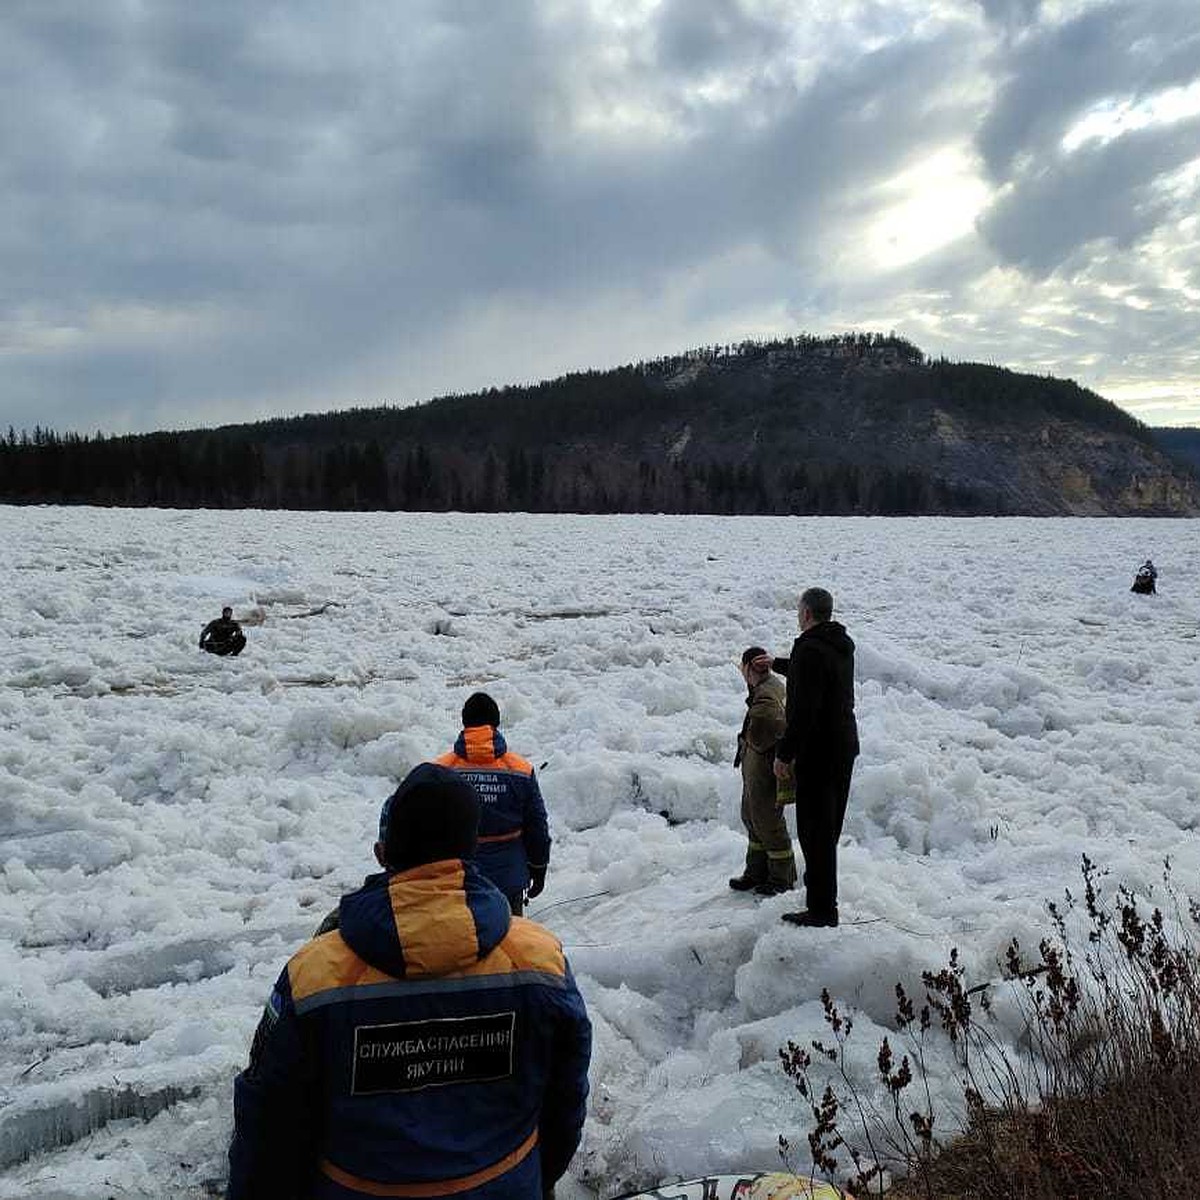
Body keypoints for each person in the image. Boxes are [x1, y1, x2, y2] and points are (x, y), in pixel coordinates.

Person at [226, 762, 591, 1200]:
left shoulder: (315, 976)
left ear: (385, 852)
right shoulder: (539, 961)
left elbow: (269, 1124)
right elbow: (564, 1101)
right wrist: (532, 1177)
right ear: (470, 848)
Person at [758, 588, 859, 929]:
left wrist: (784, 755)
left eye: (798, 610)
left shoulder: (810, 650)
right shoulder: (838, 644)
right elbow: (816, 676)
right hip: (844, 748)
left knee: (815, 833)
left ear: (806, 614)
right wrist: (778, 664)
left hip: (820, 754)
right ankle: (822, 903)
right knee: (826, 831)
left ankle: (822, 910)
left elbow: (803, 712)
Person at [435, 693, 551, 916]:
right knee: (509, 945)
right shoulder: (521, 771)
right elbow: (536, 826)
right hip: (507, 883)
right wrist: (539, 867)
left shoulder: (440, 771)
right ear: (496, 724)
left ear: (464, 722)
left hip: (456, 884)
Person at [728, 646, 797, 897]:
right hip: (758, 765)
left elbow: (771, 725)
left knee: (768, 822)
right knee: (752, 817)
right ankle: (756, 871)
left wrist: (753, 737)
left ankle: (782, 877)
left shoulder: (767, 694)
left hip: (765, 766)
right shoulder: (772, 685)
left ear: (747, 668)